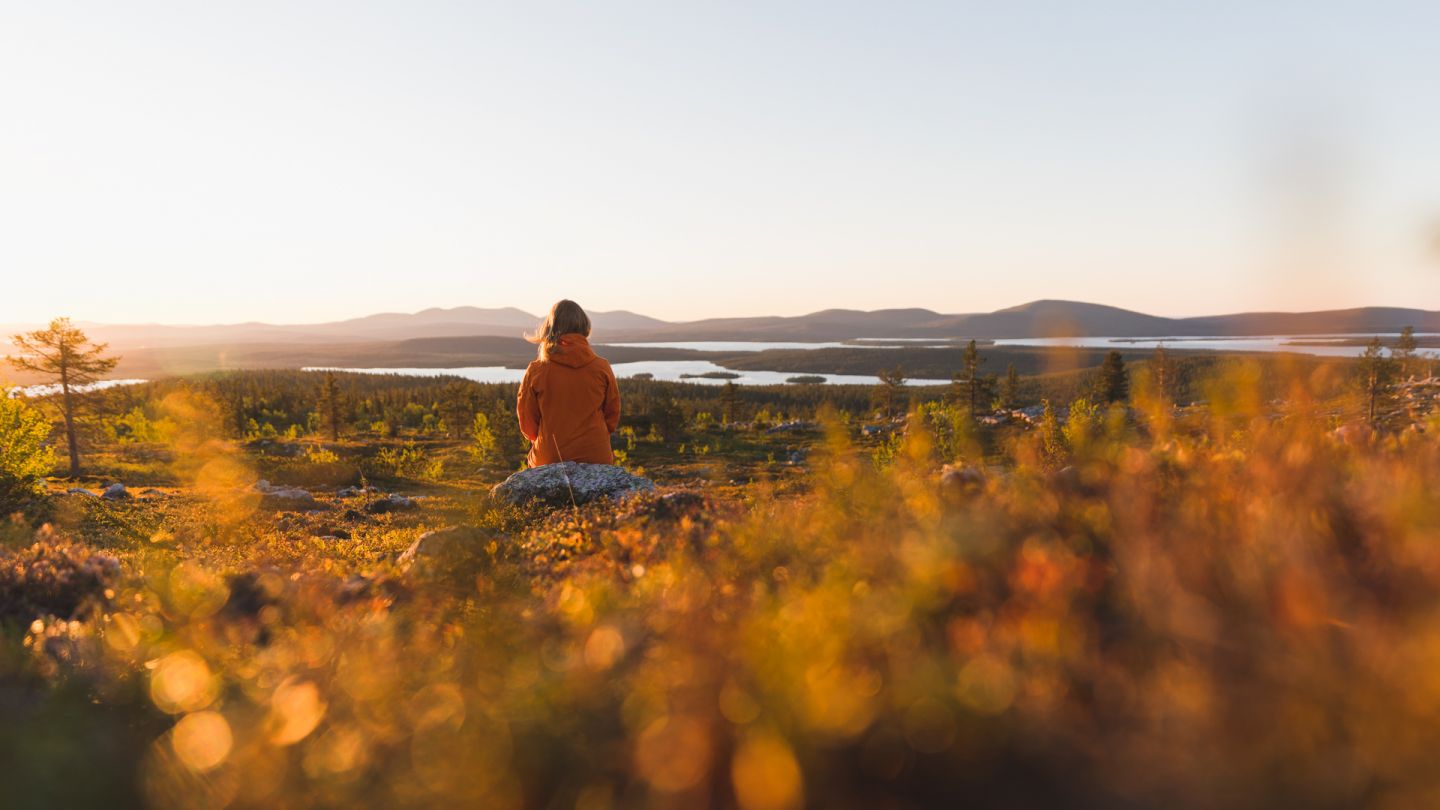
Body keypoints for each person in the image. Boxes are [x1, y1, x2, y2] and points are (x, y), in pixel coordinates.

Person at [516, 299, 621, 467]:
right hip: (597, 456)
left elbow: (527, 423)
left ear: (549, 328)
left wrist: (547, 438)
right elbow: (612, 416)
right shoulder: (602, 367)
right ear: (584, 326)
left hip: (550, 457)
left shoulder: (537, 370)